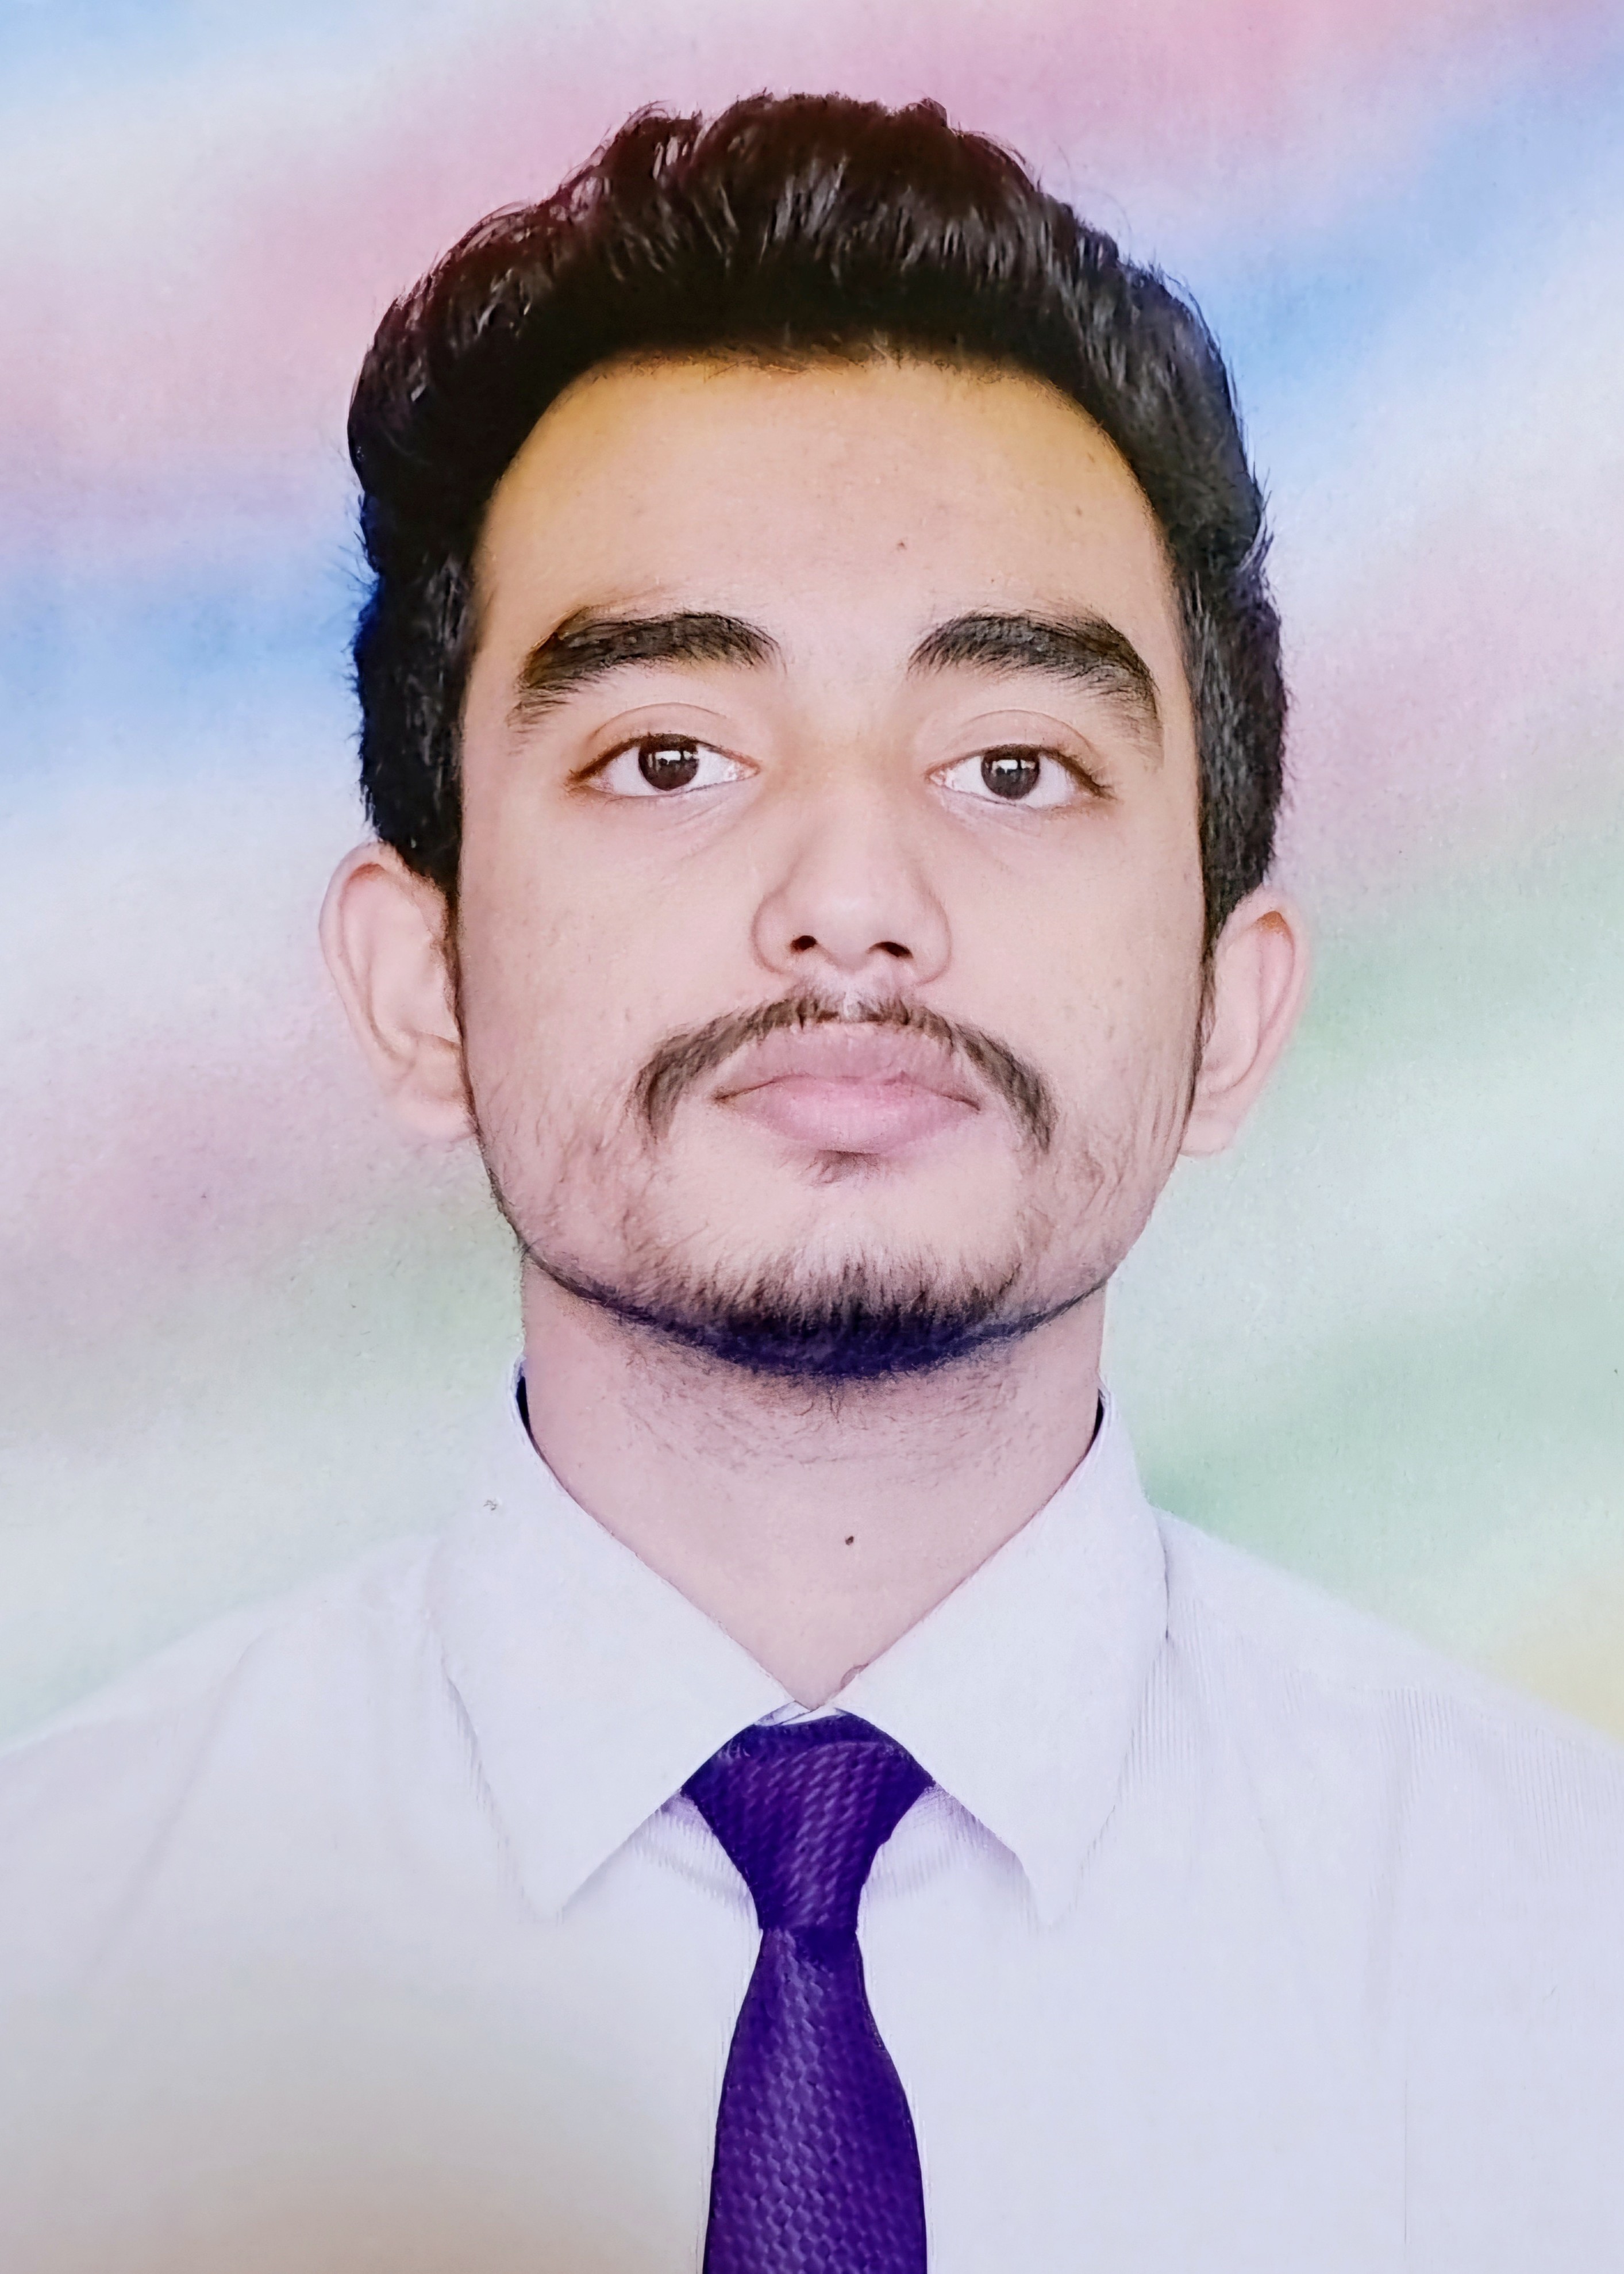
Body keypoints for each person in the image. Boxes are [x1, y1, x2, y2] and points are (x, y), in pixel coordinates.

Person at [1, 92, 1620, 2274]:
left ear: (1232, 1010)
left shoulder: (1571, 1982)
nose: (852, 898)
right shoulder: (49, 1984)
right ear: (417, 986)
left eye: (1012, 766)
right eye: (667, 755)